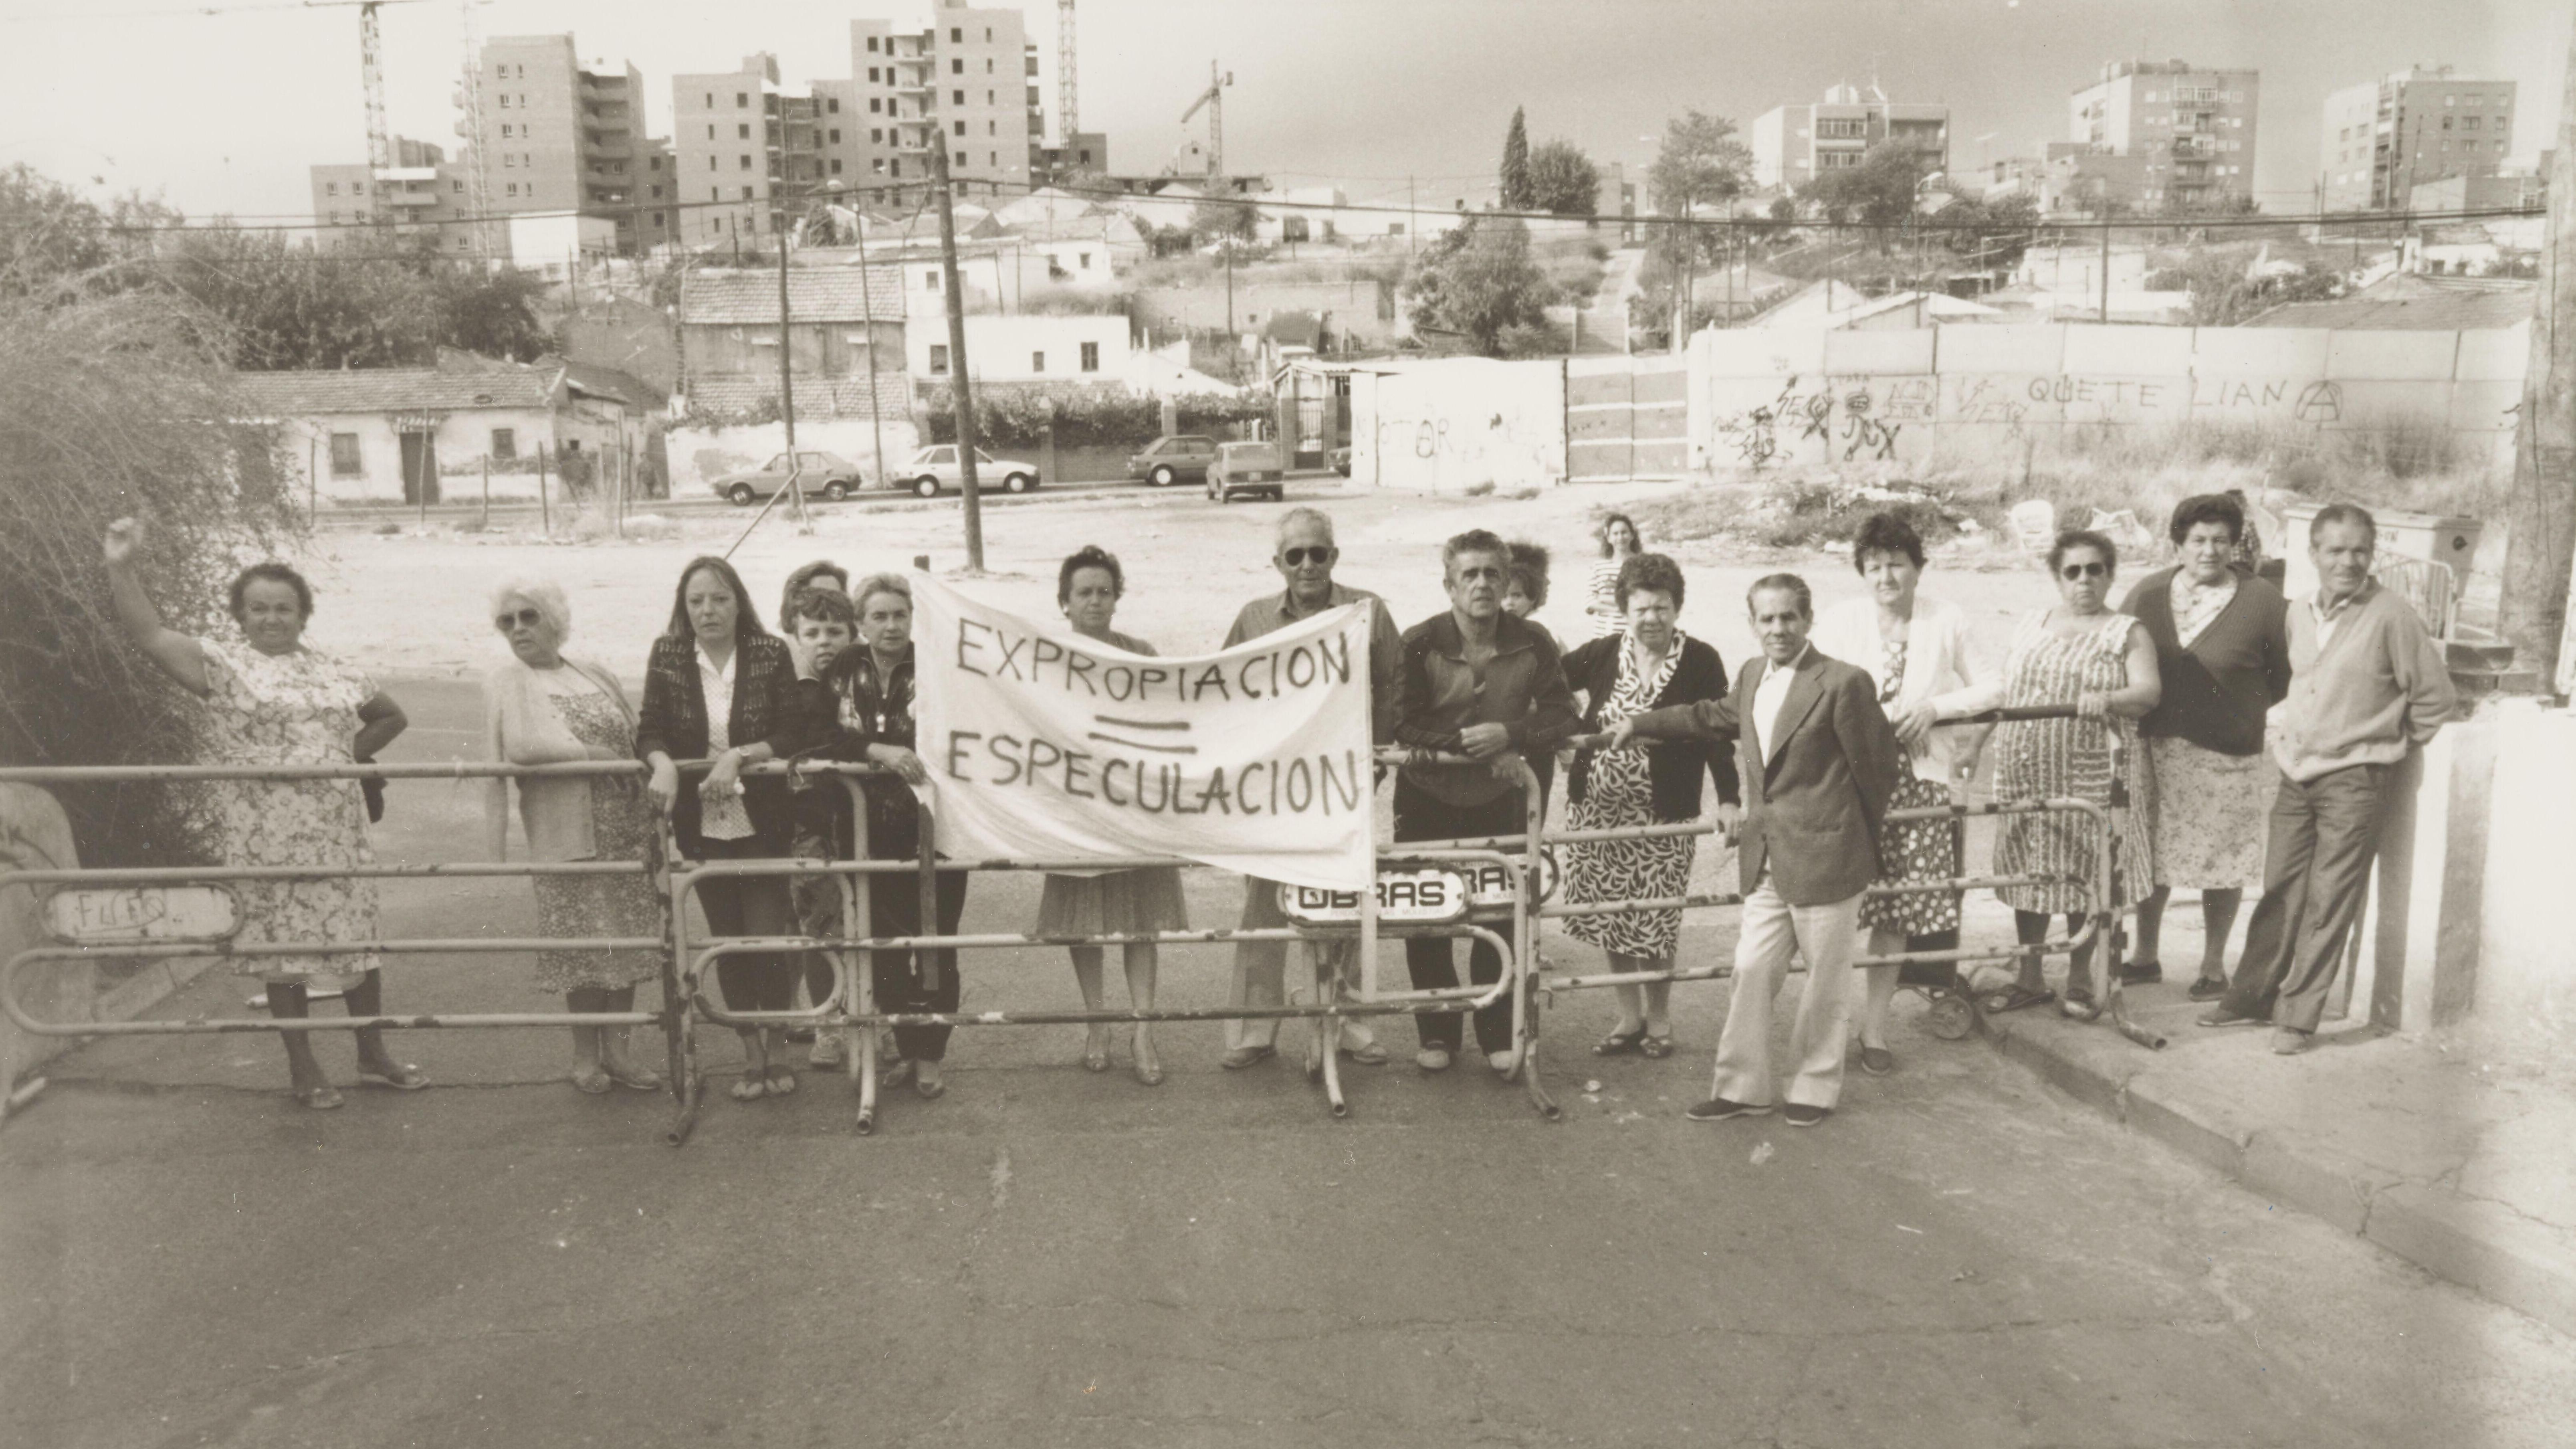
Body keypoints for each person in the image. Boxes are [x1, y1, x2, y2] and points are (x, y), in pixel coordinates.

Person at [101, 516, 422, 1110]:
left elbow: (390, 716)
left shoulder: (334, 668)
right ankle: (304, 1067)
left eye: (283, 608)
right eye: (259, 609)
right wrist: (121, 566)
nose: (272, 619)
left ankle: (373, 1055)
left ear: (302, 615)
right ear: (241, 615)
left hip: (338, 832)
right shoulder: (222, 665)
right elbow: (148, 634)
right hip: (263, 834)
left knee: (357, 943)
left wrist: (340, 758)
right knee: (283, 952)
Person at [1606, 574, 1899, 1126]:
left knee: (1824, 982)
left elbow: (1878, 770)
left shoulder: (1843, 682)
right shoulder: (1750, 674)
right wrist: (1641, 722)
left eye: (1788, 617)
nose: (1778, 628)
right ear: (1752, 624)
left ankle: (1813, 1087)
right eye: (1767, 619)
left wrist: (1850, 840)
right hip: (1766, 856)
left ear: (1808, 620)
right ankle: (1743, 1088)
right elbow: (1707, 716)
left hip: (1828, 858)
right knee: (1751, 969)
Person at [2199, 504, 2456, 1055]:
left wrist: (2380, 747)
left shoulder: (2392, 616)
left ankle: (2297, 1017)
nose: (2348, 561)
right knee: (2280, 888)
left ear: (2372, 554)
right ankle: (2251, 997)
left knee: (2329, 898)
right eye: (2335, 550)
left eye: (2360, 550)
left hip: (2354, 781)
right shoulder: (2299, 611)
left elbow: (2435, 698)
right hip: (2296, 772)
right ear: (2313, 553)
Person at [1935, 530, 2160, 1017]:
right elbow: (2005, 692)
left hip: (2091, 773)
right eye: (2072, 571)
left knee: (2084, 873)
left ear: (2109, 575)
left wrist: (2109, 699)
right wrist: (1974, 743)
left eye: (2094, 570)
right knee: (2028, 872)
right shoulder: (2031, 624)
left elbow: (2148, 692)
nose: (2084, 580)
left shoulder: (2126, 632)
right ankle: (2030, 977)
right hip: (2026, 770)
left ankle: (2079, 978)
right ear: (2057, 578)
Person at [1391, 529, 1580, 1075]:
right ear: (1449, 586)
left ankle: (1498, 1032)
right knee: (1427, 914)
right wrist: (1471, 746)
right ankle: (1438, 1033)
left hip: (1501, 798)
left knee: (1499, 914)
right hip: (1427, 797)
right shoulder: (1420, 640)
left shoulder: (1534, 640)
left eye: (1492, 574)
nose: (1481, 584)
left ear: (1506, 582)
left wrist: (1512, 735)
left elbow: (1564, 714)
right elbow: (1401, 719)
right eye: (1469, 574)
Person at [1810, 512, 1992, 1076]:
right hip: (1849, 783)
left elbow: (1994, 684)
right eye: (1874, 566)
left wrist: (1937, 707)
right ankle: (1827, 1029)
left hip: (1917, 783)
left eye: (1897, 564)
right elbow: (1810, 688)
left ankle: (1874, 1029)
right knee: (1838, 910)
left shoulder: (1946, 619)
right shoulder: (1841, 622)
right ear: (1862, 572)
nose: (1886, 576)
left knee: (1895, 912)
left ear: (1918, 568)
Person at [1218, 509, 1397, 1072]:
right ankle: (1256, 1029)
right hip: (1273, 793)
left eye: (1318, 552)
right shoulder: (1253, 618)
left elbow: (1394, 686)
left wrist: (1376, 760)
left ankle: (1348, 1024)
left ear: (1334, 557)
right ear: (1278, 563)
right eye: (1294, 555)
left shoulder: (1367, 611)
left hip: (1342, 787)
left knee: (1345, 903)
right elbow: (1221, 692)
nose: (1307, 565)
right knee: (1264, 908)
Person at [481, 577, 665, 1095]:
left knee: (627, 943)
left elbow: (633, 734)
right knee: (584, 948)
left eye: (529, 616)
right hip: (567, 836)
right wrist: (595, 756)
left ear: (555, 620)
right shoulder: (508, 681)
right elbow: (523, 747)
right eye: (507, 621)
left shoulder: (594, 672)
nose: (518, 629)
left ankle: (620, 1052)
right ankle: (585, 1056)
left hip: (626, 830)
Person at [635, 556, 803, 1103]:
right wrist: (662, 763)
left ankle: (778, 1046)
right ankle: (750, 1053)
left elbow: (792, 731)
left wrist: (739, 755)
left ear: (739, 602)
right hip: (701, 822)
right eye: (697, 601)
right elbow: (649, 730)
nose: (708, 610)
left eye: (719, 598)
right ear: (684, 608)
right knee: (728, 942)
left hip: (763, 820)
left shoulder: (769, 652)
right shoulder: (668, 654)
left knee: (765, 939)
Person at [1559, 552, 1736, 1061]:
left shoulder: (1700, 659)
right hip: (1597, 811)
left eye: (1661, 607)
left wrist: (1729, 798)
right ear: (1625, 610)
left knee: (1655, 921)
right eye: (1641, 609)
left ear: (1676, 607)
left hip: (1663, 813)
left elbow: (1716, 733)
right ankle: (1628, 1017)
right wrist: (1564, 732)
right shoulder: (1601, 653)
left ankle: (1658, 1019)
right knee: (1611, 915)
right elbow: (1547, 683)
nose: (1651, 618)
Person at [2121, 495, 2291, 1000]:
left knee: (2224, 858)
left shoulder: (2262, 600)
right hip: (2151, 744)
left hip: (2225, 749)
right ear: (2178, 544)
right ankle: (2144, 956)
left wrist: (2235, 710)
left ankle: (2213, 966)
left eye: (2220, 540)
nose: (2209, 551)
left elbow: (2282, 675)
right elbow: (2118, 652)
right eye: (2197, 540)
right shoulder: (2148, 593)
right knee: (2150, 851)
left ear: (2234, 544)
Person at [1042, 546, 1190, 1086]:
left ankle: (1143, 1028)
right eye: (1084, 592)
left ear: (1117, 597)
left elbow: (1168, 717)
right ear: (1065, 601)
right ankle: (1097, 1021)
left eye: (1105, 591)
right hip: (1076, 808)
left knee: (1141, 922)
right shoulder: (1045, 658)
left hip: (1132, 807)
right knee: (1083, 922)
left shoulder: (1141, 654)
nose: (1095, 601)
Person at [825, 574, 971, 1099]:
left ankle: (931, 1055)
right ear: (860, 623)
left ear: (913, 619)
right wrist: (876, 750)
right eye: (879, 616)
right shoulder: (844, 668)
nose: (891, 625)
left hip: (936, 831)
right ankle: (907, 1048)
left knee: (935, 945)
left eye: (900, 615)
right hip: (866, 833)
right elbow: (819, 731)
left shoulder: (938, 667)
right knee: (885, 950)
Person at [779, 586, 861, 1071]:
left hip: (862, 821)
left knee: (868, 925)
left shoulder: (860, 683)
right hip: (810, 826)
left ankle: (871, 1021)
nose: (824, 641)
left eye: (835, 631)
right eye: (812, 633)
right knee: (818, 928)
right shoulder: (791, 689)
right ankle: (827, 1023)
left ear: (853, 633)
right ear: (796, 636)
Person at [1585, 513, 1643, 638]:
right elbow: (1590, 602)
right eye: (1615, 534)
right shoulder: (1599, 567)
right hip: (1602, 634)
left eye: (1624, 533)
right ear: (1609, 539)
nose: (1620, 537)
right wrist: (1618, 609)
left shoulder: (1642, 565)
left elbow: (1642, 599)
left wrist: (1603, 599)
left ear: (1632, 535)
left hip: (1633, 633)